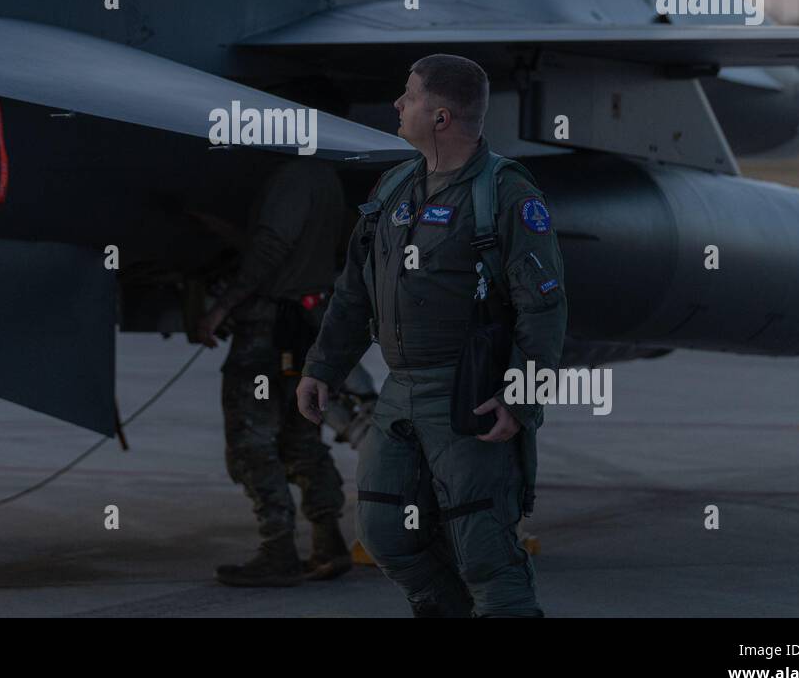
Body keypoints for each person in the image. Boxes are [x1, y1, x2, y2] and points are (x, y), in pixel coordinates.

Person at [296, 54, 567, 616]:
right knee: (383, 530)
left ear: (441, 117)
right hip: (401, 390)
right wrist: (323, 367)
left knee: (485, 552)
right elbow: (354, 290)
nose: (397, 105)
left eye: (410, 96)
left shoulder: (506, 195)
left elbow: (542, 307)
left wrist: (521, 397)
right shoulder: (394, 188)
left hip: (467, 391)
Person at [198, 84, 354, 587]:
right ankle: (328, 542)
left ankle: (277, 550)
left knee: (251, 442)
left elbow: (270, 249)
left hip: (267, 331)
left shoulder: (290, 177)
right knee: (301, 437)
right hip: (308, 326)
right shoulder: (326, 177)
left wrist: (221, 306)